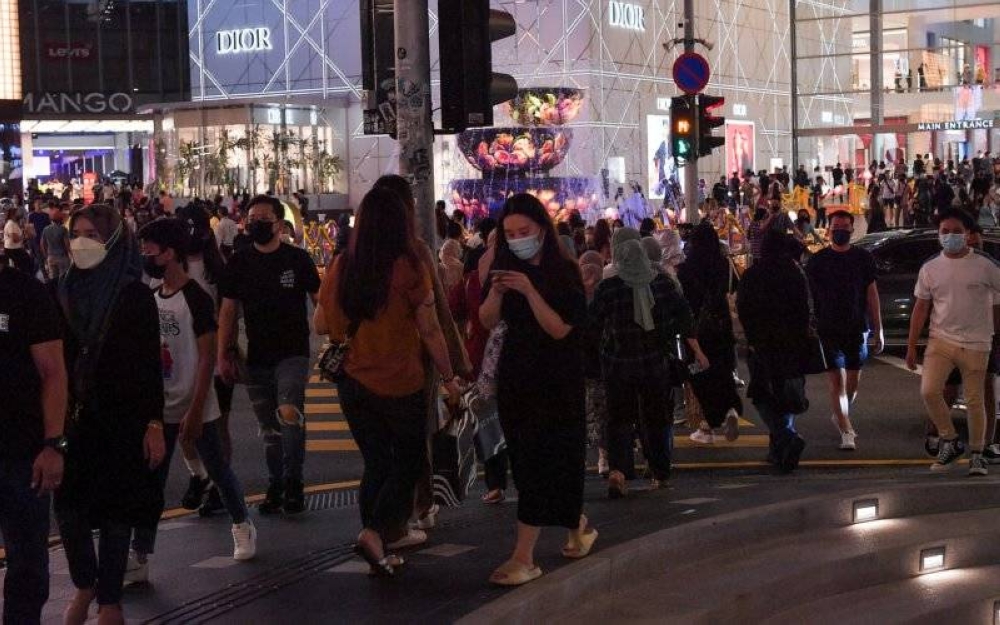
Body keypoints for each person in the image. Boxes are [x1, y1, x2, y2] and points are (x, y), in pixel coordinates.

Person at [317, 187, 462, 576]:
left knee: (377, 463)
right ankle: (379, 533)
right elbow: (430, 330)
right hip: (401, 382)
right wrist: (450, 379)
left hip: (353, 384)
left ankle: (379, 538)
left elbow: (320, 324)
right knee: (410, 459)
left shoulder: (341, 266)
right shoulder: (410, 266)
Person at [128, 219, 255, 585]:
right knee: (151, 481)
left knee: (218, 467)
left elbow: (205, 358)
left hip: (197, 401)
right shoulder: (150, 297)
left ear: (170, 253)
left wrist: (197, 408)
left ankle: (241, 523)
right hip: (159, 405)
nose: (146, 256)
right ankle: (141, 554)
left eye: (150, 249)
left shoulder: (196, 299)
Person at [480, 193, 597, 586]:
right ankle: (577, 525)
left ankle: (523, 556)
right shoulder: (503, 266)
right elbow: (486, 320)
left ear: (543, 230)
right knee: (527, 462)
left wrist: (530, 291)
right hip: (517, 380)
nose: (517, 239)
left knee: (552, 461)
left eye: (524, 232)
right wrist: (496, 293)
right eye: (510, 234)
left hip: (558, 381)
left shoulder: (564, 274)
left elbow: (561, 329)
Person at [56, 204, 165, 624]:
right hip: (72, 418)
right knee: (68, 509)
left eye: (93, 235)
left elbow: (147, 365)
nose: (82, 243)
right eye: (76, 234)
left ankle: (109, 601)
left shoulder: (133, 294)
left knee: (117, 514)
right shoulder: (63, 289)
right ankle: (86, 583)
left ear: (115, 241)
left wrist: (153, 423)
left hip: (122, 418)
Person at [217, 195, 320, 514]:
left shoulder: (298, 260)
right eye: (251, 218)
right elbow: (229, 311)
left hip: (293, 353)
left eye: (263, 218)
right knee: (269, 428)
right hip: (254, 356)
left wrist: (337, 338)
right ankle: (276, 483)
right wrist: (224, 353)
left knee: (289, 413)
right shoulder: (239, 261)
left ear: (279, 223)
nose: (256, 223)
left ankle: (294, 483)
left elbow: (320, 300)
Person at [593, 236, 702, 495]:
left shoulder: (608, 288)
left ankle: (618, 473)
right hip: (655, 363)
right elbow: (684, 314)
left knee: (618, 419)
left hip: (618, 364)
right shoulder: (662, 284)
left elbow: (592, 323)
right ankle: (660, 472)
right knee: (656, 419)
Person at [0, 249, 67, 624]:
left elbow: (53, 373)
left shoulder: (25, 292)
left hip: (21, 453)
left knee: (27, 564)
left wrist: (53, 444)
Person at [906, 210, 1000, 475]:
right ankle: (949, 440)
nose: (949, 236)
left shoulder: (984, 265)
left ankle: (978, 453)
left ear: (968, 235)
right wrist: (912, 346)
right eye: (944, 231)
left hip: (977, 342)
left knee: (975, 399)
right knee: (929, 391)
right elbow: (921, 309)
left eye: (955, 231)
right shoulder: (930, 268)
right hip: (941, 340)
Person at [805, 211, 883, 451]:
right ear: (828, 229)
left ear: (851, 230)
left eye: (845, 227)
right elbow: (808, 295)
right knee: (836, 382)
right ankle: (846, 429)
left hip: (857, 327)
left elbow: (872, 294)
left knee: (853, 382)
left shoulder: (863, 258)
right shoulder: (817, 261)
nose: (840, 230)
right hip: (828, 328)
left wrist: (878, 328)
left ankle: (840, 413)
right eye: (836, 226)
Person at [737, 231, 811, 473]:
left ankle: (785, 437)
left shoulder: (753, 275)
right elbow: (803, 309)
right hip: (791, 344)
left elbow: (744, 308)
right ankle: (779, 447)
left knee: (762, 394)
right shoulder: (795, 274)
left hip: (763, 344)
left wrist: (752, 337)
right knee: (787, 395)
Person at [677, 223, 742, 445]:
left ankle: (709, 424)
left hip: (696, 330)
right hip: (721, 324)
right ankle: (731, 409)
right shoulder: (723, 263)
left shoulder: (686, 268)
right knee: (723, 370)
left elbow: (683, 301)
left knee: (698, 375)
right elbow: (731, 290)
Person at [41, 203, 71, 283]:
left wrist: (46, 256)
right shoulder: (63, 229)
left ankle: (54, 294)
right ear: (60, 218)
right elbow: (67, 245)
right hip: (62, 257)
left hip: (51, 257)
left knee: (53, 280)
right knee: (63, 279)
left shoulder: (46, 229)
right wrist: (71, 255)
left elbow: (43, 244)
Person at [3, 207, 33, 274]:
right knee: (27, 264)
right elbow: (15, 239)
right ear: (13, 215)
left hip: (15, 249)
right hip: (13, 250)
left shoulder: (14, 223)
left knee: (28, 262)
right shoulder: (11, 224)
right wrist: (25, 236)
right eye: (17, 213)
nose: (19, 214)